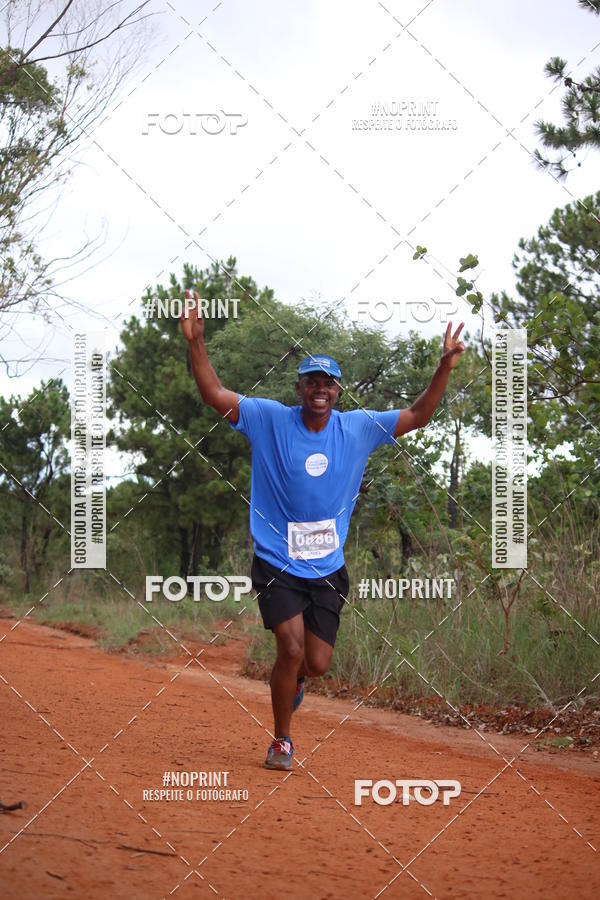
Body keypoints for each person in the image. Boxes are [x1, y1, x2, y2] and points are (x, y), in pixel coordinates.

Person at [180, 290, 465, 770]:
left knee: (315, 663)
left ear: (337, 392)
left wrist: (443, 367)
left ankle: (296, 681)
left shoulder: (358, 428)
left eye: (329, 383)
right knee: (288, 647)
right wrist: (196, 343)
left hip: (328, 568)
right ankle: (281, 742)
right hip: (276, 560)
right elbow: (214, 394)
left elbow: (418, 416)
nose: (320, 388)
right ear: (298, 388)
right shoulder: (269, 419)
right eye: (312, 380)